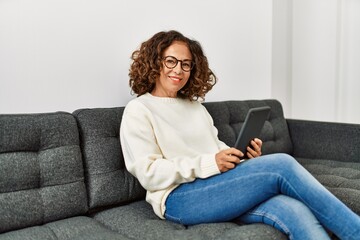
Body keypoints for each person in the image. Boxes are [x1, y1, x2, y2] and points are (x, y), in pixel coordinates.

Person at [120, 30, 360, 240]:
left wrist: (242, 157)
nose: (178, 70)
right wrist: (210, 163)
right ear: (155, 62)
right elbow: (149, 174)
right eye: (170, 61)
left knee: (293, 210)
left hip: (215, 187)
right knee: (281, 165)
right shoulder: (139, 110)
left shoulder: (195, 108)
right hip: (178, 199)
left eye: (186, 64)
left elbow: (215, 150)